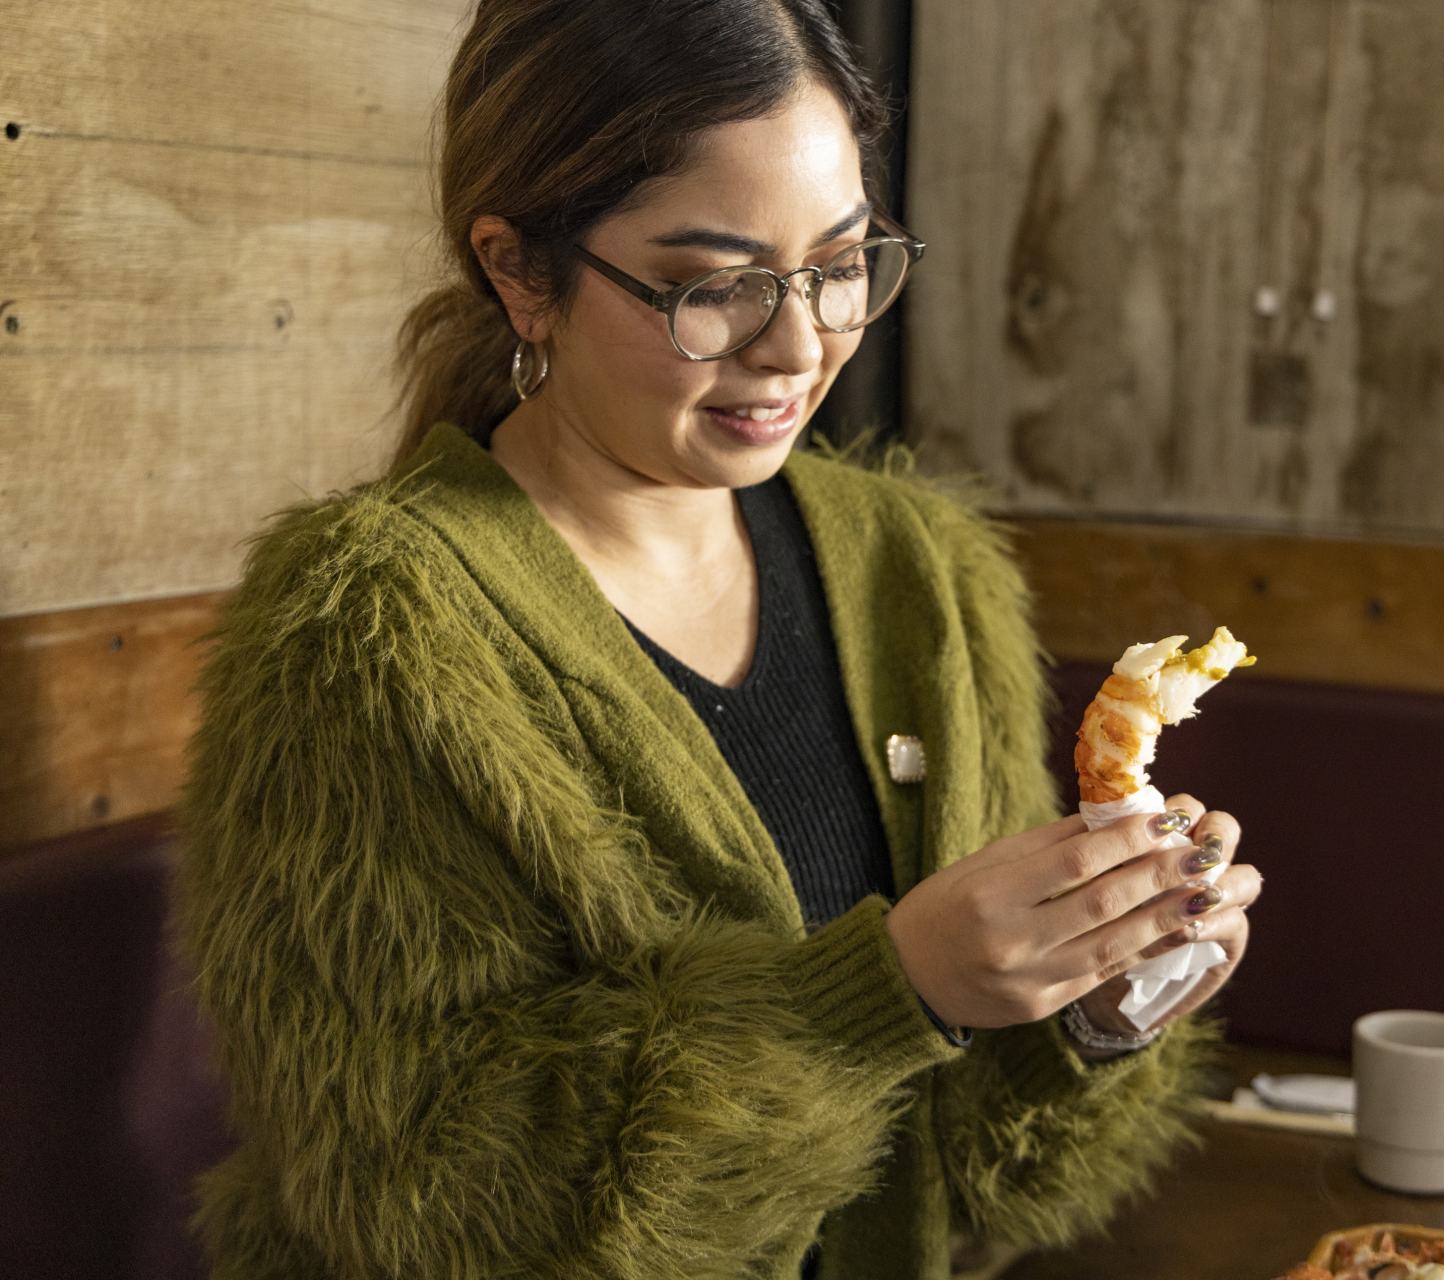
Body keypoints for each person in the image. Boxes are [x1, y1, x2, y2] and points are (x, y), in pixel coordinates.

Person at [175, 1, 1263, 1276]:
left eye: (844, 262)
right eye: (717, 286)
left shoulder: (920, 567)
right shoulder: (370, 626)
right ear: (521, 272)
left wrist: (1099, 995)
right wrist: (886, 992)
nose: (801, 345)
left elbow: (991, 1179)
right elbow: (428, 1197)